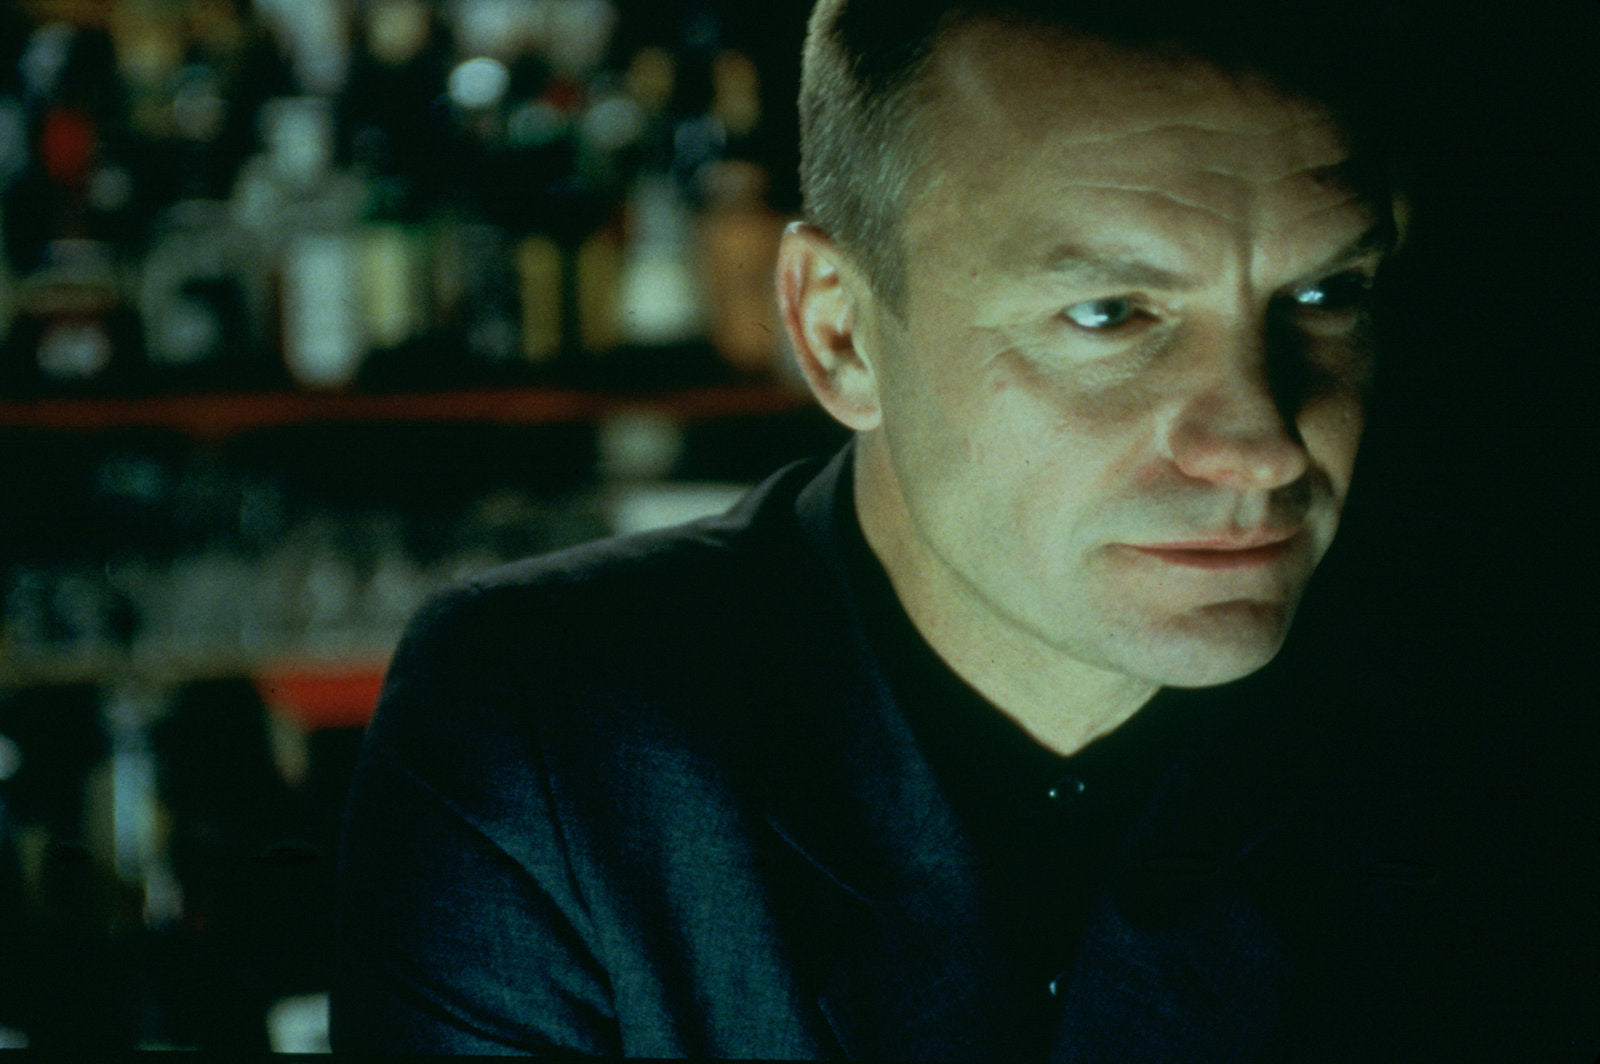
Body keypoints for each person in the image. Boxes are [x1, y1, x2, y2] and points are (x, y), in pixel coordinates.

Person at [333, 1, 1598, 1059]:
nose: (1264, 442)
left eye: (1323, 292)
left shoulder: (1493, 715)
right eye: (1109, 313)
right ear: (838, 332)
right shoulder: (555, 734)